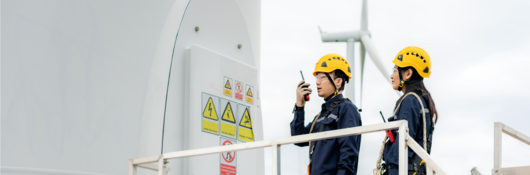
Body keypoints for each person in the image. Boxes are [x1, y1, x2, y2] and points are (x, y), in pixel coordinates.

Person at [291, 53, 362, 175]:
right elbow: (298, 138)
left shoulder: (347, 109)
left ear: (338, 81)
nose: (317, 82)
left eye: (322, 77)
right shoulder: (321, 115)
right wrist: (299, 106)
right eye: (317, 77)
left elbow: (348, 154)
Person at [375, 46, 438, 175]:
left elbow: (400, 152)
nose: (391, 76)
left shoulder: (410, 101)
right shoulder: (421, 99)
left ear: (408, 74)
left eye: (395, 70)